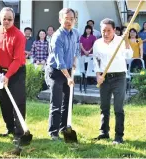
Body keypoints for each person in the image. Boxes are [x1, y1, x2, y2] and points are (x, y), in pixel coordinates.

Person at [93, 18, 133, 144]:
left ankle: (119, 136)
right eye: (103, 30)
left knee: (118, 108)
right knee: (104, 106)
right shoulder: (97, 43)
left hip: (119, 77)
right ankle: (104, 132)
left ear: (114, 30)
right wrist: (98, 75)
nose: (106, 33)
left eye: (108, 31)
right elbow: (96, 61)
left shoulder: (121, 40)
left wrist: (126, 40)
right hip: (104, 78)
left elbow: (129, 55)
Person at [0, 7, 27, 151]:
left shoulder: (19, 36)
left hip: (17, 72)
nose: (6, 21)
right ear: (0, 19)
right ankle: (10, 128)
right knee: (4, 102)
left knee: (17, 102)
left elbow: (17, 60)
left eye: (9, 19)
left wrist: (8, 76)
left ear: (14, 19)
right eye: (4, 19)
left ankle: (20, 133)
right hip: (2, 71)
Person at [45, 8, 80, 141]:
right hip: (56, 72)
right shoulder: (57, 36)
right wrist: (68, 77)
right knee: (57, 102)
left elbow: (76, 48)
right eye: (66, 19)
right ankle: (53, 133)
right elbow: (59, 62)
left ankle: (64, 128)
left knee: (68, 101)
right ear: (60, 20)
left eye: (72, 19)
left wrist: (74, 62)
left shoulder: (75, 33)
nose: (69, 21)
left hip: (69, 69)